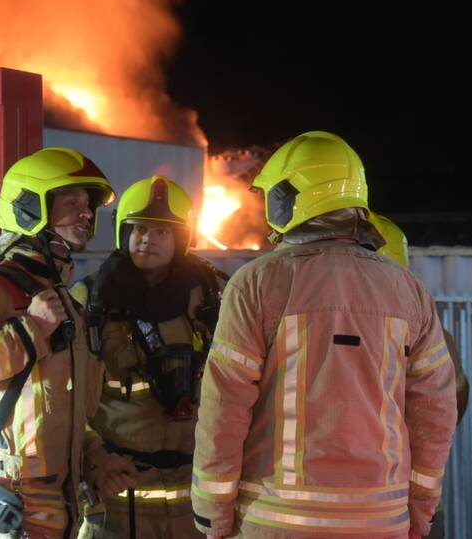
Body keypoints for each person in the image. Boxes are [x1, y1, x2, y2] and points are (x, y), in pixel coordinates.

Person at [191, 130, 457, 539]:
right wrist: (418, 516)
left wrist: (213, 517)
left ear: (289, 198)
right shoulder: (409, 291)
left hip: (276, 522)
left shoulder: (256, 283)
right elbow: (435, 417)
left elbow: (223, 409)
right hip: (381, 523)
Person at [0, 147, 136, 539]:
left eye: (88, 205)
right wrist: (29, 330)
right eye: (72, 203)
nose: (86, 214)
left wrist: (97, 459)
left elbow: (62, 418)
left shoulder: (68, 305)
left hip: (61, 509)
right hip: (9, 510)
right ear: (30, 209)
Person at [72, 176, 227, 538]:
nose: (147, 238)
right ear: (122, 233)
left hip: (196, 501)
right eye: (139, 228)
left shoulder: (210, 299)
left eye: (162, 232)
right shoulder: (89, 301)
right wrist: (94, 460)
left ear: (182, 238)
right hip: (119, 497)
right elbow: (63, 399)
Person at [369, 211, 468, 539]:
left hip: (361, 505)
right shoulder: (435, 334)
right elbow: (452, 408)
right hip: (417, 504)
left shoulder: (326, 334)